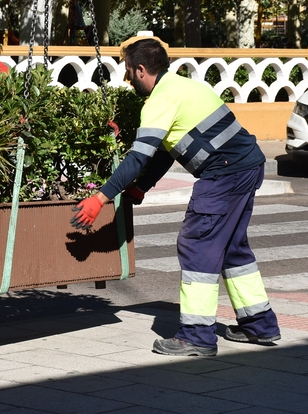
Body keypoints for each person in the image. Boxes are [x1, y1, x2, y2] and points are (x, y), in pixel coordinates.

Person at [70, 38, 281, 357]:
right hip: (248, 165)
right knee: (233, 247)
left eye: (128, 70)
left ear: (140, 69)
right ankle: (259, 324)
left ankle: (197, 336)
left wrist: (100, 197)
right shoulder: (186, 87)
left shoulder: (160, 100)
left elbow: (138, 158)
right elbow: (168, 150)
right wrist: (143, 186)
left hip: (223, 173)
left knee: (197, 244)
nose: (127, 77)